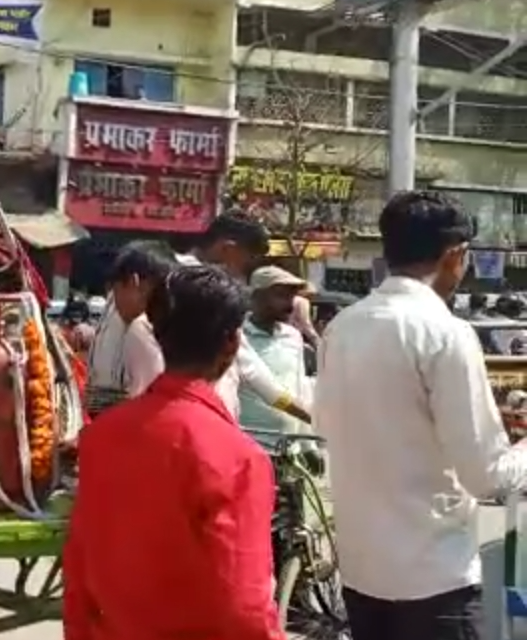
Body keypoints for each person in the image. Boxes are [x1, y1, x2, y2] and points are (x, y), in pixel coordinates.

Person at [315, 190, 527, 640]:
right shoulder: (447, 335)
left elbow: (335, 430)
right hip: (434, 577)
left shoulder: (340, 328)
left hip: (362, 573)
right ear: (456, 255)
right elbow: (486, 476)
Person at [65, 265, 282, 640]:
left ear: (159, 334)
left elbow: (79, 565)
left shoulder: (103, 437)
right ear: (231, 344)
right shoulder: (239, 458)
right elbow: (245, 607)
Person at [177, 212, 311, 423]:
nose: (243, 276)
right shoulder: (186, 284)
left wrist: (310, 417)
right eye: (247, 263)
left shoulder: (194, 283)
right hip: (188, 420)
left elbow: (255, 373)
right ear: (227, 248)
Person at [85, 240, 177, 412]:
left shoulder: (143, 329)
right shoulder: (118, 315)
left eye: (117, 289)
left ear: (134, 282)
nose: (115, 300)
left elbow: (147, 400)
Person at [238, 266, 310, 440]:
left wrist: (307, 442)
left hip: (289, 444)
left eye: (292, 296)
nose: (289, 304)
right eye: (281, 296)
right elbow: (269, 389)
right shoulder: (237, 337)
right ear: (256, 297)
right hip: (251, 441)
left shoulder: (292, 336)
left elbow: (300, 386)